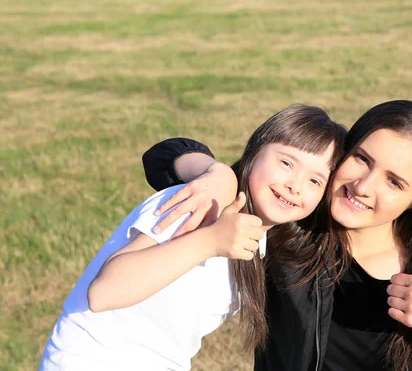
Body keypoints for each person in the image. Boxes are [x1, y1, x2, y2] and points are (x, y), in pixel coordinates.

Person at [143, 100, 412, 370]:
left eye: (394, 181)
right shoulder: (293, 226)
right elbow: (163, 157)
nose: (363, 186)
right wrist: (217, 174)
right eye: (362, 159)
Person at [39, 104, 347, 371]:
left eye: (315, 180)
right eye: (286, 163)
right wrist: (210, 240)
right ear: (254, 151)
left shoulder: (263, 244)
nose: (295, 185)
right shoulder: (199, 200)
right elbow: (104, 293)